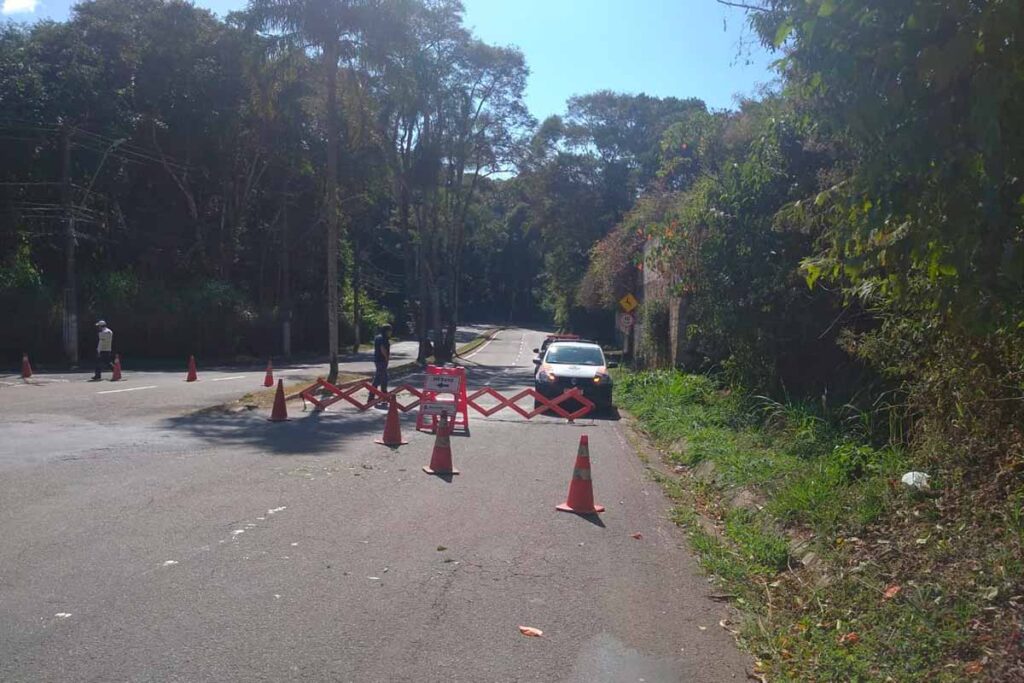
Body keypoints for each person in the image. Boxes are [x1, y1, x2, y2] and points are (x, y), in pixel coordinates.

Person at [372, 323, 392, 407]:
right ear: (386, 331)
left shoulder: (377, 337)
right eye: (390, 330)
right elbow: (382, 348)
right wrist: (386, 358)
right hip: (381, 360)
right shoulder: (383, 338)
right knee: (378, 379)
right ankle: (371, 397)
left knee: (384, 379)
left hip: (377, 360)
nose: (391, 332)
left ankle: (384, 397)